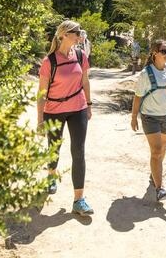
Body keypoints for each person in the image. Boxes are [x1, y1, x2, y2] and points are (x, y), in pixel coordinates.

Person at [37, 20, 94, 216]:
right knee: (54, 147)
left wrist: (89, 104)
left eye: (79, 32)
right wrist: (40, 120)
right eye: (76, 32)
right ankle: (51, 176)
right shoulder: (49, 61)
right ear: (64, 35)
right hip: (53, 110)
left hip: (77, 108)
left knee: (78, 151)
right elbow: (41, 94)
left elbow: (85, 81)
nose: (80, 35)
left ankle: (79, 200)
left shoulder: (80, 55)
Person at [131, 39, 166, 201]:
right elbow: (138, 97)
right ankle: (160, 188)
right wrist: (134, 117)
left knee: (162, 150)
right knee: (156, 150)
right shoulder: (145, 74)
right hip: (150, 117)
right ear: (154, 53)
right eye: (164, 51)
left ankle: (154, 174)